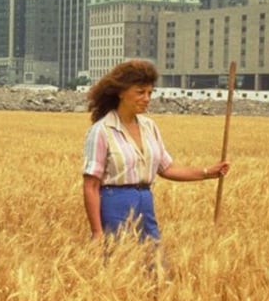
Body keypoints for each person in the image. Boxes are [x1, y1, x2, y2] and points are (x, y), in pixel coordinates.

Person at [82, 59, 230, 246]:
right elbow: (91, 185)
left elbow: (167, 169)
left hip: (145, 201)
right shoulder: (102, 130)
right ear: (120, 92)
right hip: (115, 202)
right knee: (118, 263)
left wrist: (209, 172)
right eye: (140, 92)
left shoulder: (149, 127)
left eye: (150, 93)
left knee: (155, 263)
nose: (147, 98)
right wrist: (96, 232)